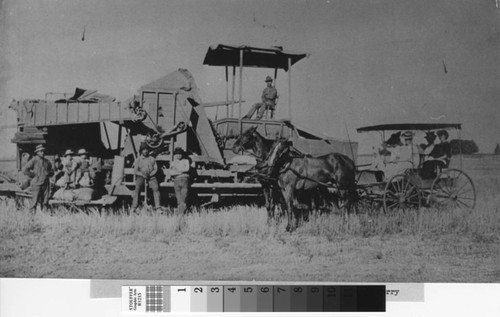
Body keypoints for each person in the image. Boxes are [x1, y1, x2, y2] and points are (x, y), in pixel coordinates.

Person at [22, 144, 54, 213]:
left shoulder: (47, 162)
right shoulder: (34, 160)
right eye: (41, 151)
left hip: (46, 184)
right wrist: (34, 176)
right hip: (36, 183)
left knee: (45, 201)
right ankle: (32, 217)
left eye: (43, 151)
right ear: (37, 152)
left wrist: (49, 174)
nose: (43, 152)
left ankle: (45, 216)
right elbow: (25, 169)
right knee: (34, 201)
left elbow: (51, 171)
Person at [132, 143, 161, 212]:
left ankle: (158, 207)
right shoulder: (138, 159)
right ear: (141, 151)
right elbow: (135, 171)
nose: (145, 151)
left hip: (151, 177)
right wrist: (142, 174)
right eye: (143, 150)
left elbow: (155, 169)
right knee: (137, 188)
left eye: (146, 150)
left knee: (156, 188)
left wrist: (150, 175)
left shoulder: (152, 159)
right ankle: (134, 207)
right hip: (141, 176)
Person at [163, 147, 191, 215]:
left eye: (180, 154)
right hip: (177, 180)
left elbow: (187, 169)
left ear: (182, 154)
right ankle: (181, 213)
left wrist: (177, 170)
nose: (178, 155)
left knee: (184, 197)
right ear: (175, 155)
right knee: (178, 198)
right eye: (177, 154)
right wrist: (181, 171)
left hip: (184, 180)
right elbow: (172, 172)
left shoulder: (186, 161)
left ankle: (182, 213)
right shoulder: (173, 162)